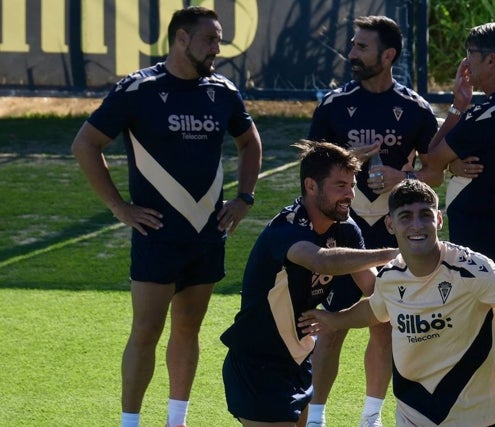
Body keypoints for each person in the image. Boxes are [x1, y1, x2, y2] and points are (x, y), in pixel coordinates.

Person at [71, 6, 262, 427]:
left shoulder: (223, 91)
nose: (217, 48)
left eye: (219, 39)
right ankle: (130, 422)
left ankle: (177, 420)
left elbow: (250, 142)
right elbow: (85, 144)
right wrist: (119, 207)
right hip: (157, 234)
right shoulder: (138, 90)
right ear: (181, 39)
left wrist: (244, 197)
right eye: (210, 39)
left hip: (207, 232)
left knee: (189, 329)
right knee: (146, 331)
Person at [298, 180, 495, 427]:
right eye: (405, 217)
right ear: (390, 224)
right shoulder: (390, 276)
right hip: (414, 414)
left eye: (425, 215)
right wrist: (333, 320)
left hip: (479, 417)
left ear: (439, 219)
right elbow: (374, 309)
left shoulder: (473, 271)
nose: (417, 225)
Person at [306, 15, 439, 427]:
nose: (351, 54)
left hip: (389, 231)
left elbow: (435, 172)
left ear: (389, 55)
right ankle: (315, 417)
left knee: (383, 327)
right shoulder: (333, 106)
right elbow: (308, 169)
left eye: (361, 47)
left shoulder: (415, 109)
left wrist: (405, 177)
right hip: (339, 233)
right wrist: (352, 161)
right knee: (329, 328)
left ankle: (370, 418)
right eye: (352, 45)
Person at [409, 22, 495, 426]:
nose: (465, 62)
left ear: (492, 60)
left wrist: (457, 108)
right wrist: (455, 161)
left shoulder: (486, 113)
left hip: (480, 235)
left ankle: (480, 415)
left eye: (471, 54)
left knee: (478, 332)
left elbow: (429, 161)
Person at [219, 140, 399, 427]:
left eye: (352, 185)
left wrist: (416, 291)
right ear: (311, 186)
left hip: (299, 362)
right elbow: (322, 261)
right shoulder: (285, 229)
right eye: (340, 186)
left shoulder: (347, 230)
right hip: (257, 365)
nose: (350, 194)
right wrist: (393, 253)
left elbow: (375, 292)